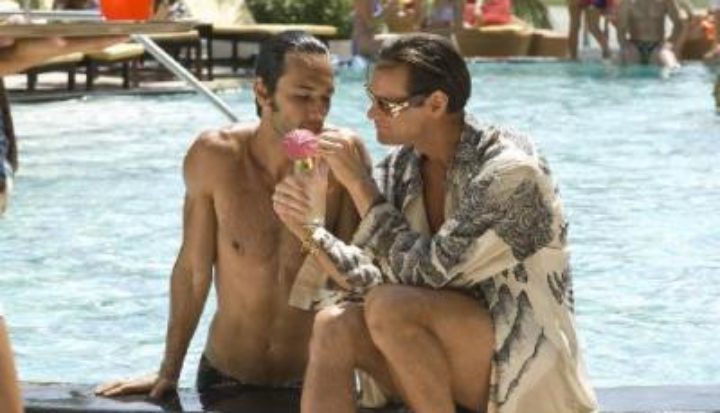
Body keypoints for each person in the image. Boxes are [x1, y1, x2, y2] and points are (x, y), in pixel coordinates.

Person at [273, 33, 598, 413]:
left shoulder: (511, 173)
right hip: (447, 359)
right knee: (333, 324)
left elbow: (428, 273)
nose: (370, 114)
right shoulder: (401, 169)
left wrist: (360, 185)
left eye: (386, 104)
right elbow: (369, 278)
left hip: (519, 376)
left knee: (390, 306)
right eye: (371, 97)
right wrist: (310, 230)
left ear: (436, 103)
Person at [95, 31, 367, 400]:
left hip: (314, 378)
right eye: (303, 97)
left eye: (326, 98)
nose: (317, 113)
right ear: (262, 91)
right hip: (226, 376)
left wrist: (313, 225)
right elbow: (192, 272)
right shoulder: (216, 156)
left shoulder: (343, 159)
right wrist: (168, 371)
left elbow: (357, 286)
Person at [616, 0, 684, 68]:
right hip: (635, 45)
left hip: (658, 45)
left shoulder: (665, 2)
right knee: (625, 63)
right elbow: (621, 29)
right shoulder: (628, 3)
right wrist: (625, 46)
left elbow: (678, 24)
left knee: (671, 65)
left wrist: (670, 43)